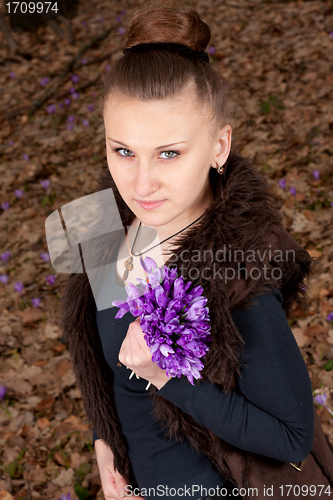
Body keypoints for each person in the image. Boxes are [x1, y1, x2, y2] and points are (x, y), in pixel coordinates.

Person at [58, 2, 333, 500]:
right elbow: (98, 366)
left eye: (169, 152)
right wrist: (104, 445)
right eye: (123, 150)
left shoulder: (241, 271)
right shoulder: (95, 224)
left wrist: (166, 376)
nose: (140, 183)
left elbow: (292, 438)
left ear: (219, 147)